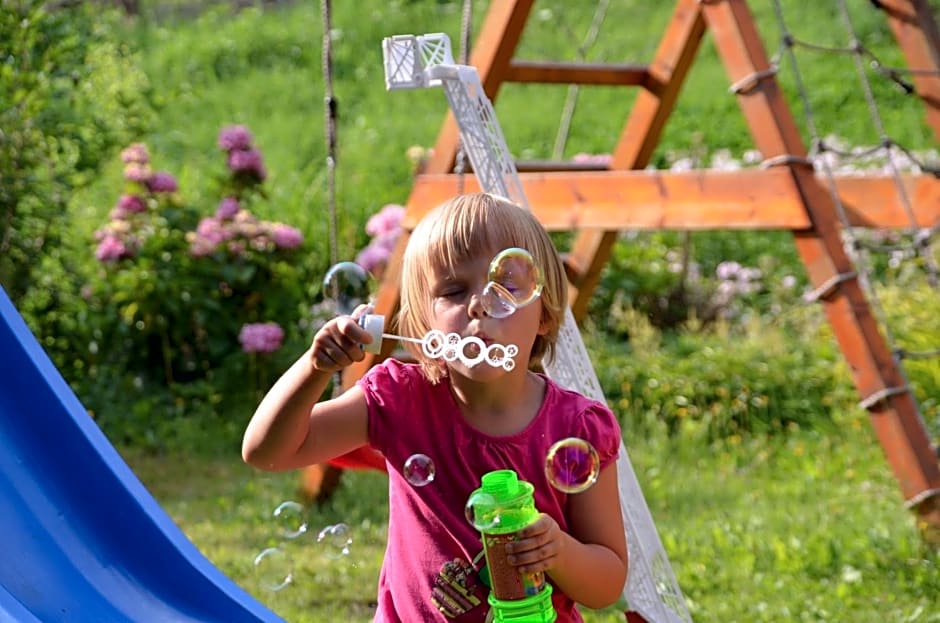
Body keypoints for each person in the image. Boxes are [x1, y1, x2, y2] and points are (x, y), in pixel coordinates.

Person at [242, 192, 627, 622]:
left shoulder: (576, 428)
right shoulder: (401, 398)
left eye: (507, 288)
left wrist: (560, 551)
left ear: (545, 316)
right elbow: (267, 451)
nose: (479, 304)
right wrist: (314, 368)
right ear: (425, 325)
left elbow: (607, 583)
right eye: (454, 290)